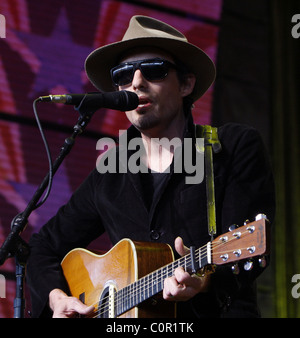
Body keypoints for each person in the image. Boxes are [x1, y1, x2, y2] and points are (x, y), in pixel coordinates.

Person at [26, 15, 275, 318]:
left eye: (154, 71)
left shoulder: (232, 148)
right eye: (123, 74)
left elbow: (249, 251)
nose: (137, 82)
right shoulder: (111, 171)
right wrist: (56, 298)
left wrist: (206, 281)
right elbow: (42, 248)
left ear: (186, 84)